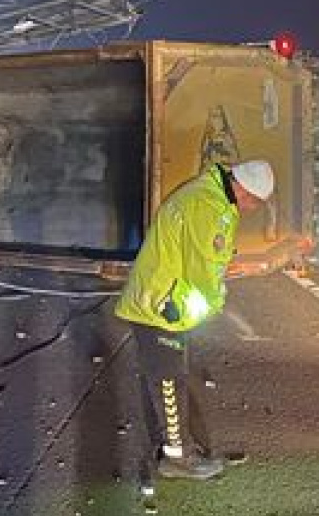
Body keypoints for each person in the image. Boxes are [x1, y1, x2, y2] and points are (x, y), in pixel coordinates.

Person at [114, 158, 274, 495]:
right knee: (168, 379)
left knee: (170, 376)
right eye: (253, 202)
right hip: (161, 306)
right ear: (242, 188)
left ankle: (178, 445)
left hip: (162, 297)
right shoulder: (209, 208)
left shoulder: (208, 194)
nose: (251, 209)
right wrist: (216, 302)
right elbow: (206, 269)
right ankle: (177, 459)